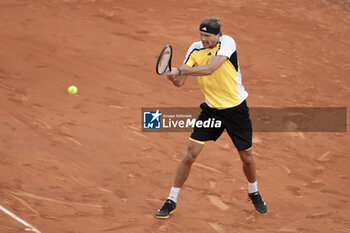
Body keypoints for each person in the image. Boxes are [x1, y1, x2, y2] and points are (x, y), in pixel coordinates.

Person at [155, 17, 267, 219]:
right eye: (201, 35)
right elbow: (181, 82)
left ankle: (253, 191)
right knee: (190, 154)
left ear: (218, 35)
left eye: (207, 36)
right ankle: (171, 199)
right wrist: (174, 76)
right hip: (211, 110)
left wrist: (180, 70)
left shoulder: (228, 43)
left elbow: (210, 68)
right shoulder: (195, 48)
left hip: (236, 111)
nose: (203, 39)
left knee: (246, 157)